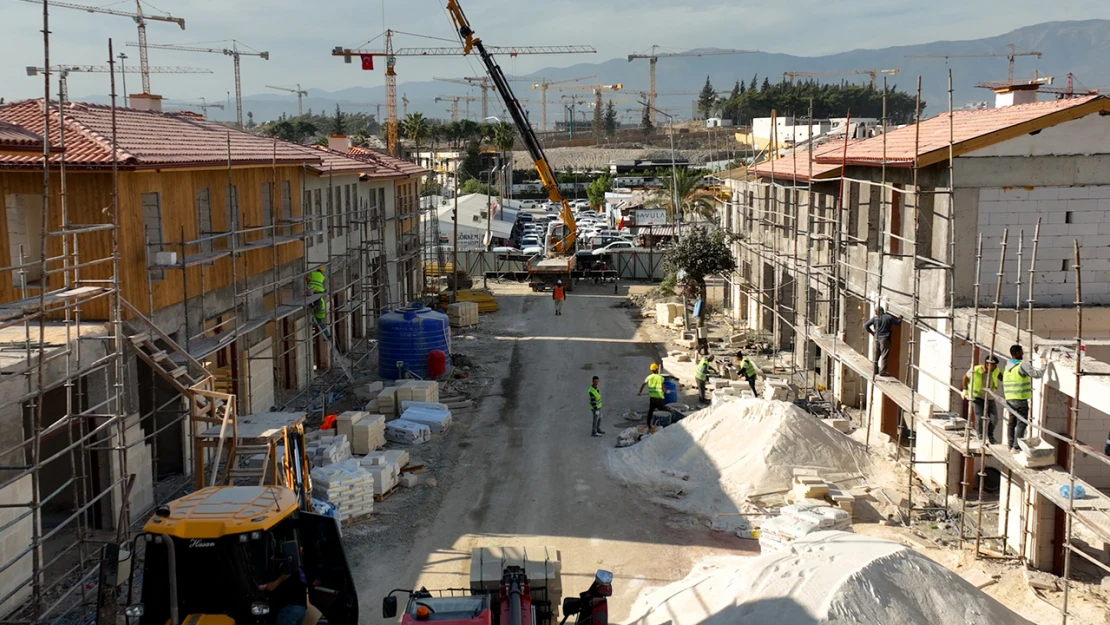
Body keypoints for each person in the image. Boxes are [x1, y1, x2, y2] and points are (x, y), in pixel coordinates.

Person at [1002, 344, 1045, 450]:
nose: (1023, 354)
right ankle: (1016, 447)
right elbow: (1037, 374)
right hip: (1020, 399)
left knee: (1012, 423)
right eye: (1021, 351)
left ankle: (1011, 445)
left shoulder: (1007, 367)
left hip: (1009, 399)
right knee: (1022, 422)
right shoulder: (1021, 365)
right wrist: (1044, 365)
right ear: (1016, 353)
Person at [962, 355, 1001, 444]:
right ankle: (980, 437)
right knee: (979, 418)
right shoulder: (976, 370)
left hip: (989, 397)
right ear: (987, 364)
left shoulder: (995, 370)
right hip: (977, 397)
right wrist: (964, 390)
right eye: (993, 365)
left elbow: (1002, 378)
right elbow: (965, 378)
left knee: (994, 419)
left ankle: (990, 436)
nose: (995, 367)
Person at [258, 558, 307, 625]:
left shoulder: (287, 572)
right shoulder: (300, 571)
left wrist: (262, 586)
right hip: (301, 609)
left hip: (289, 610)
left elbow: (272, 587)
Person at [863, 306, 903, 376]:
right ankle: (882, 371)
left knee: (876, 354)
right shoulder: (889, 317)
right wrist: (900, 318)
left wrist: (872, 333)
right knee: (884, 354)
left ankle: (874, 370)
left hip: (876, 338)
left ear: (876, 312)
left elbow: (866, 325)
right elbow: (898, 323)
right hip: (885, 338)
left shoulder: (875, 318)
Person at [637, 363, 666, 430]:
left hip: (652, 398)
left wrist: (640, 392)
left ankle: (648, 424)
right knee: (662, 412)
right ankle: (662, 425)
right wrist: (666, 391)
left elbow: (643, 384)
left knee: (650, 411)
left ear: (651, 370)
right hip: (660, 398)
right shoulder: (660, 378)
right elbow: (662, 388)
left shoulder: (649, 377)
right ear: (657, 369)